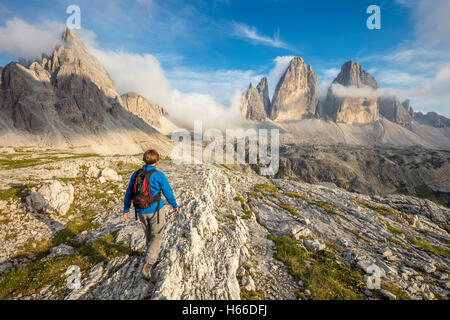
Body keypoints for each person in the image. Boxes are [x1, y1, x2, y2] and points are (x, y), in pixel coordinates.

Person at [123, 149, 178, 280]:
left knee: (148, 234)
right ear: (157, 160)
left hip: (140, 211)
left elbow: (129, 193)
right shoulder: (159, 175)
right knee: (157, 236)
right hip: (156, 210)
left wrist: (126, 210)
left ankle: (149, 254)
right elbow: (168, 193)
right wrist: (174, 205)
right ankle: (149, 263)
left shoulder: (136, 174)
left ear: (144, 160)